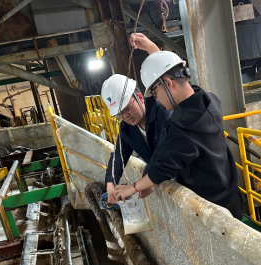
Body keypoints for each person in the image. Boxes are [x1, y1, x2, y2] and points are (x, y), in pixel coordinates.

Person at [114, 34, 244, 219]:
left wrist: (132, 187)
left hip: (212, 211)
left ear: (168, 83)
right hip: (232, 197)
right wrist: (153, 50)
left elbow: (161, 169)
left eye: (155, 92)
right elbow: (176, 82)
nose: (157, 99)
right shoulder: (209, 100)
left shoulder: (181, 128)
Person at [101, 74, 171, 203]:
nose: (125, 116)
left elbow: (164, 151)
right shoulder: (126, 128)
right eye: (119, 113)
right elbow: (118, 156)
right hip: (165, 181)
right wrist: (110, 183)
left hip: (190, 179)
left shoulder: (163, 111)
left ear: (140, 97)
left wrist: (142, 183)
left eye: (127, 108)